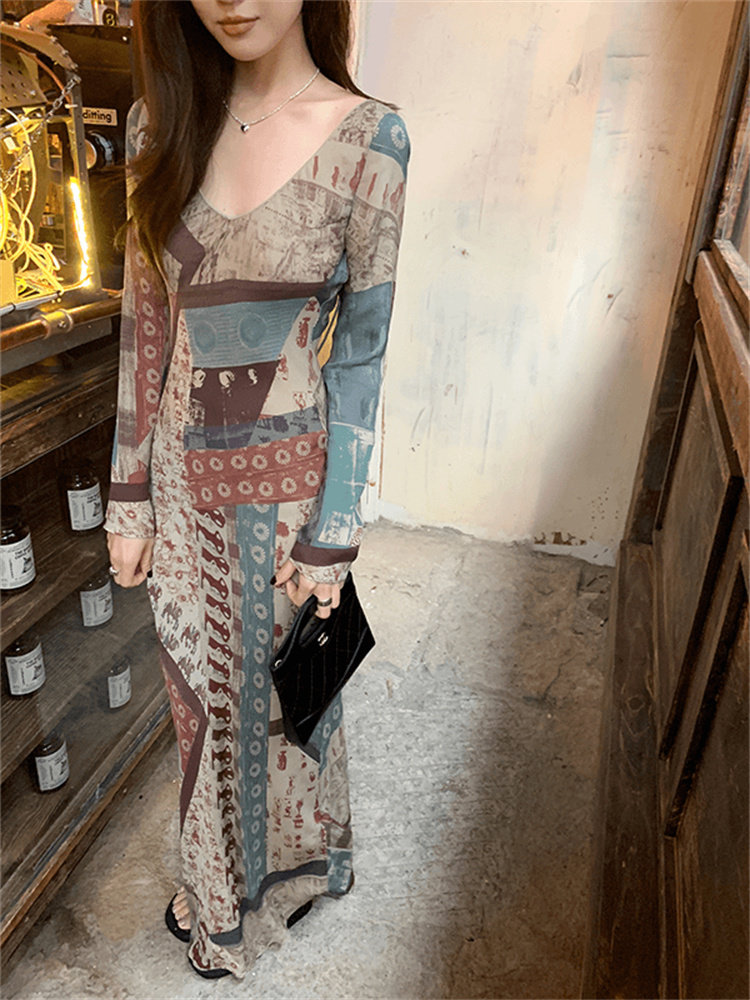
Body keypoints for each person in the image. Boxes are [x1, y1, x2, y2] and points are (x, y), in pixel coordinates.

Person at [104, 0, 410, 981]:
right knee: (200, 705)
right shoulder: (160, 126)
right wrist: (128, 491)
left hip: (291, 495)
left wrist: (336, 528)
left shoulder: (371, 142)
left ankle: (306, 861)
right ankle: (219, 896)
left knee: (290, 695)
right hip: (183, 487)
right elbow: (144, 322)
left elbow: (360, 357)